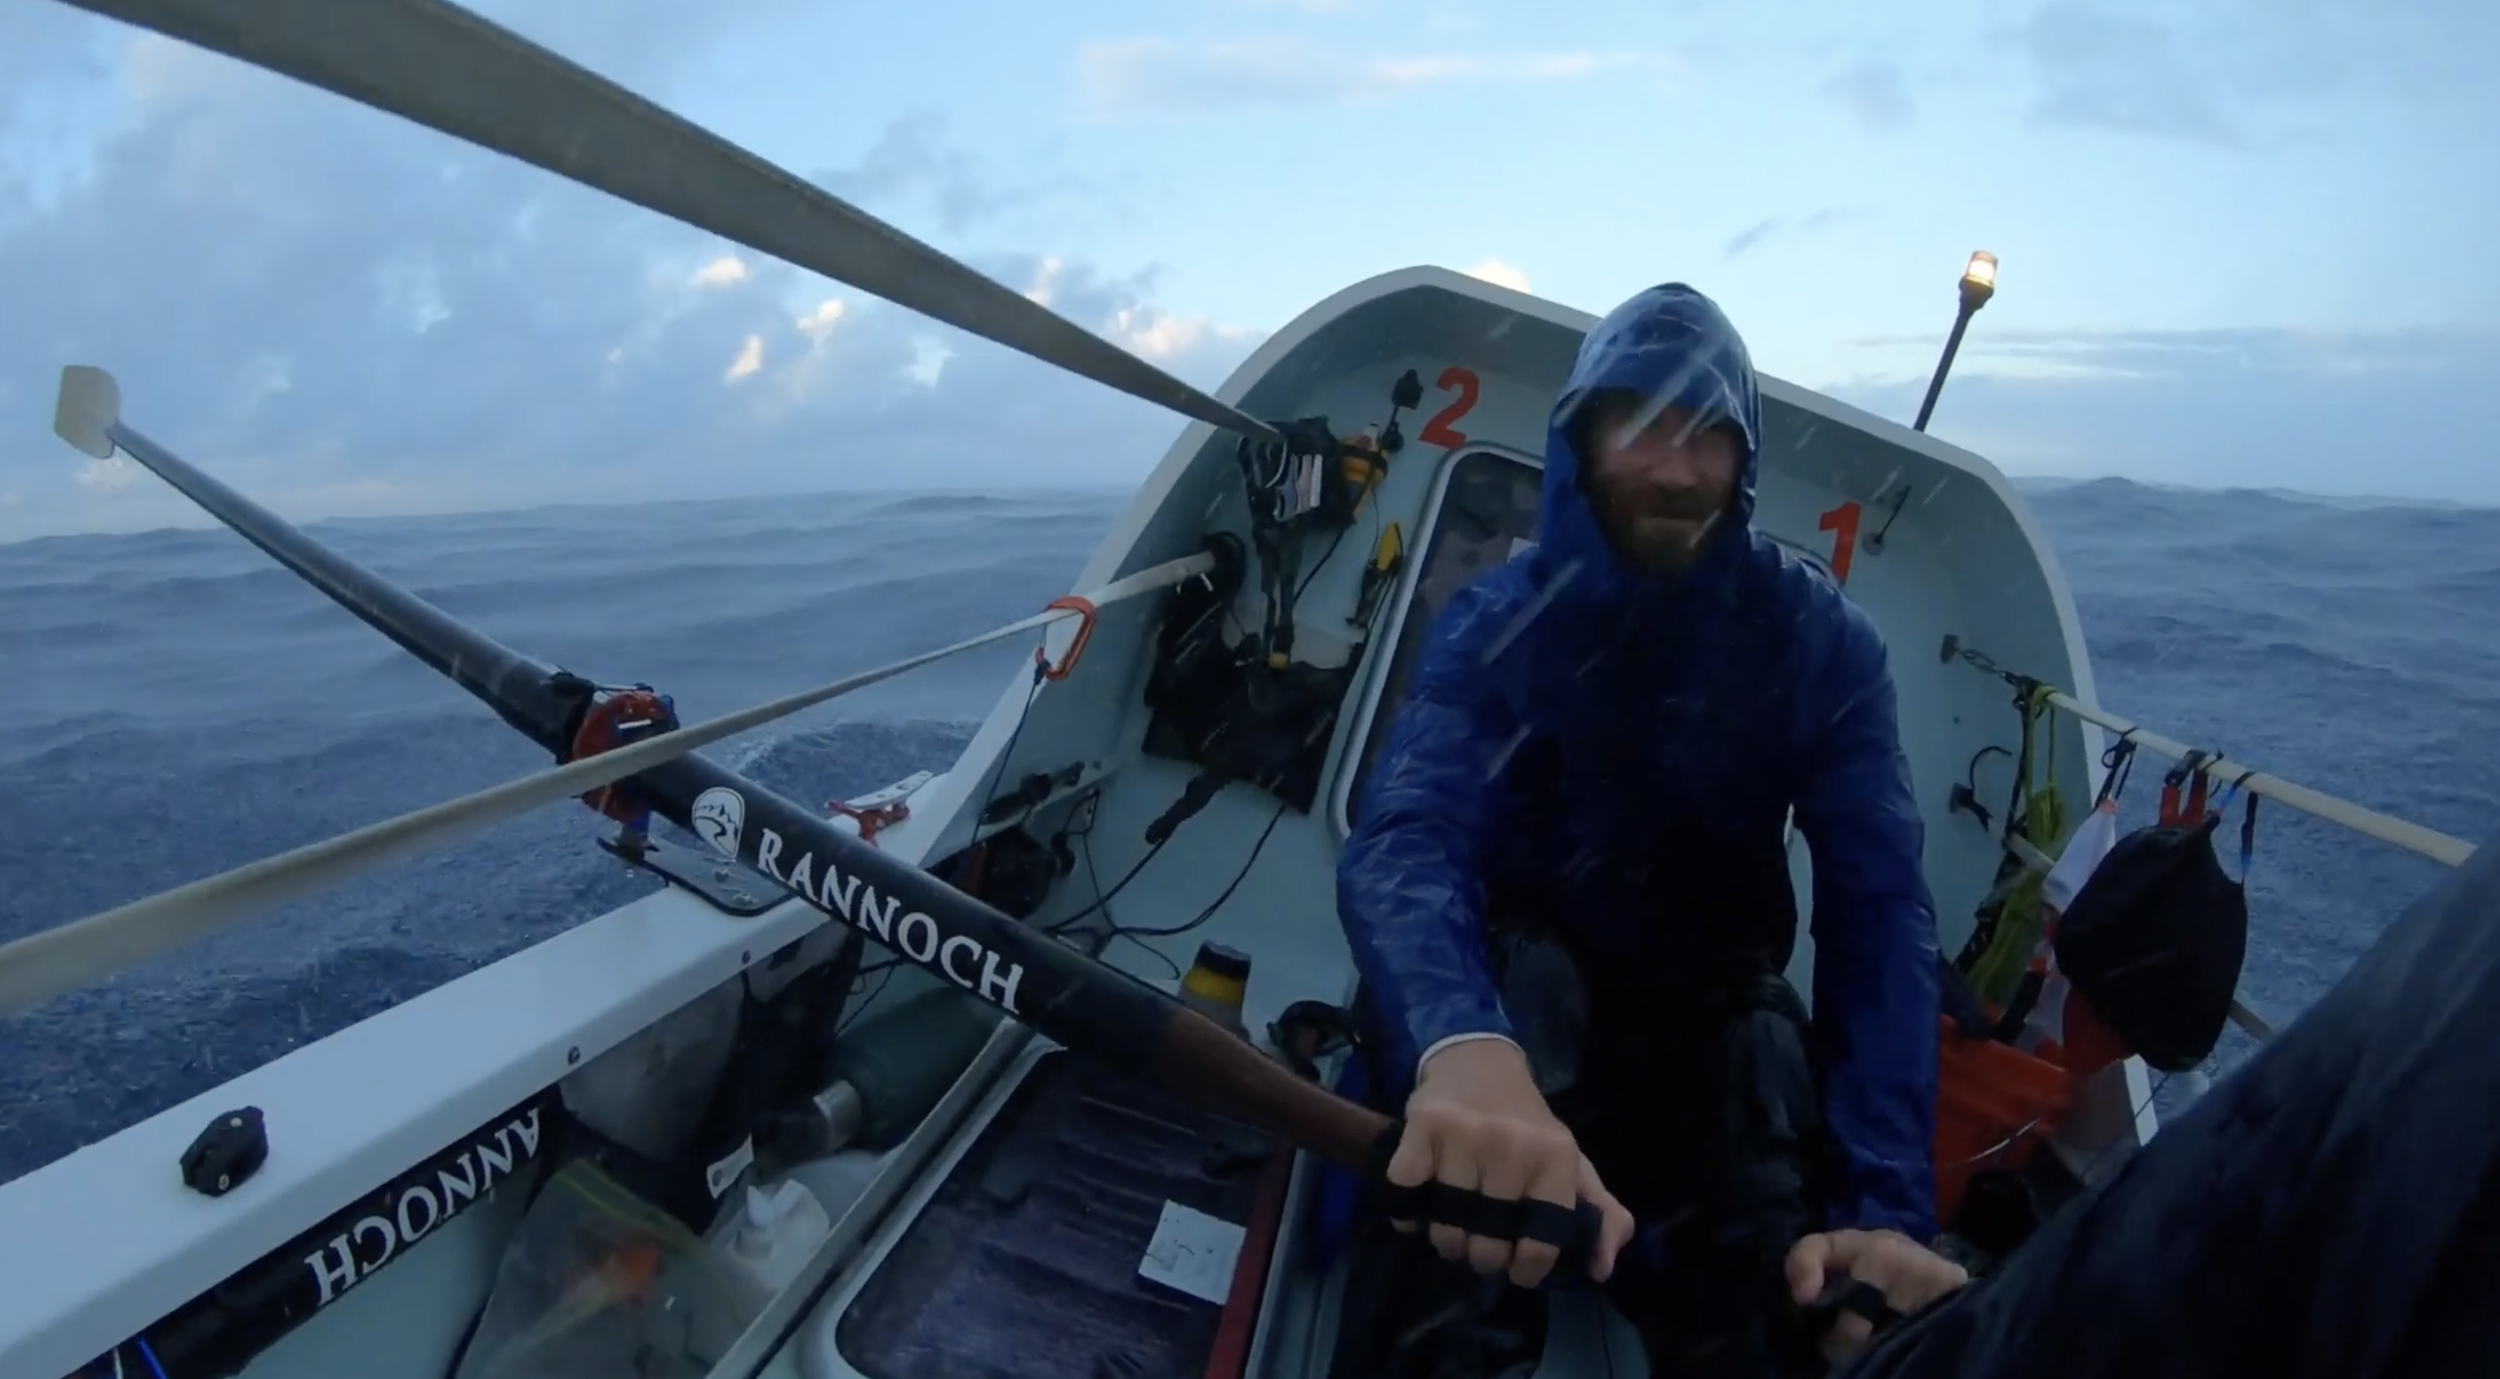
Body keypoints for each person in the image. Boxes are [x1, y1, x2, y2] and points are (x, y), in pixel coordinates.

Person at [1333, 281, 1947, 1376]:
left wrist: (1887, 1205)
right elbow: (1406, 838)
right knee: (1524, 988)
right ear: (1581, 439)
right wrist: (1461, 1048)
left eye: (1707, 432)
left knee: (1763, 1051)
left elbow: (1880, 916)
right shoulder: (1497, 619)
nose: (1677, 468)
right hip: (1511, 1028)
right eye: (1644, 426)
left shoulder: (1821, 645)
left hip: (1695, 1043)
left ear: (1743, 457)